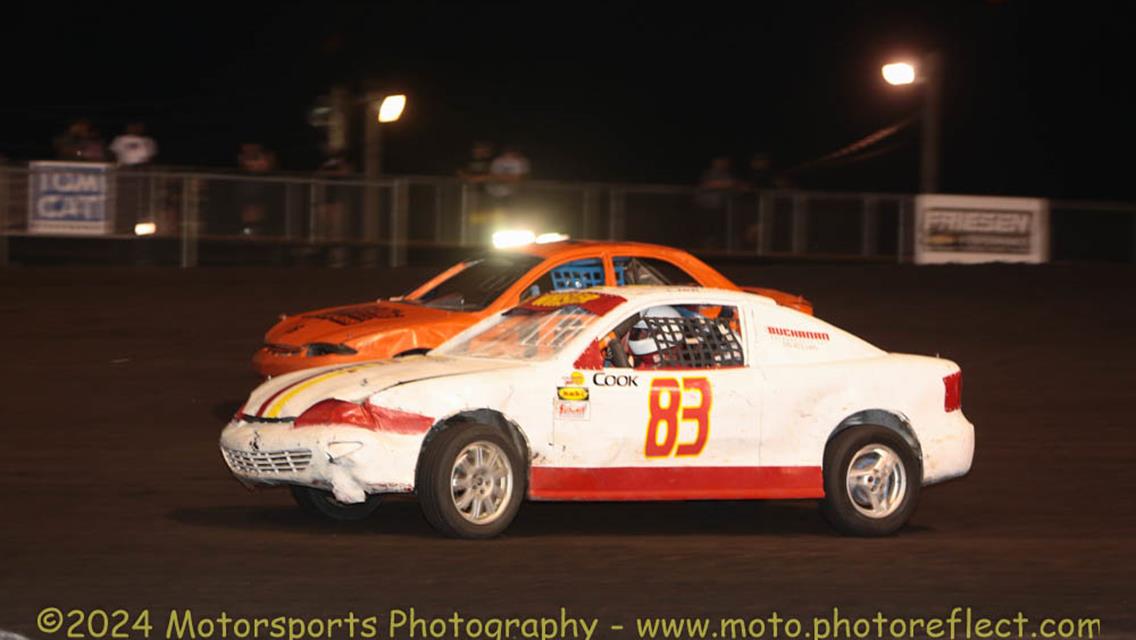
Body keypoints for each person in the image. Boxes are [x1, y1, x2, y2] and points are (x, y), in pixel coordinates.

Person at [236, 143, 276, 235]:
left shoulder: (274, 185)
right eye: (249, 158)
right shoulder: (240, 183)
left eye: (255, 158)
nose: (251, 163)